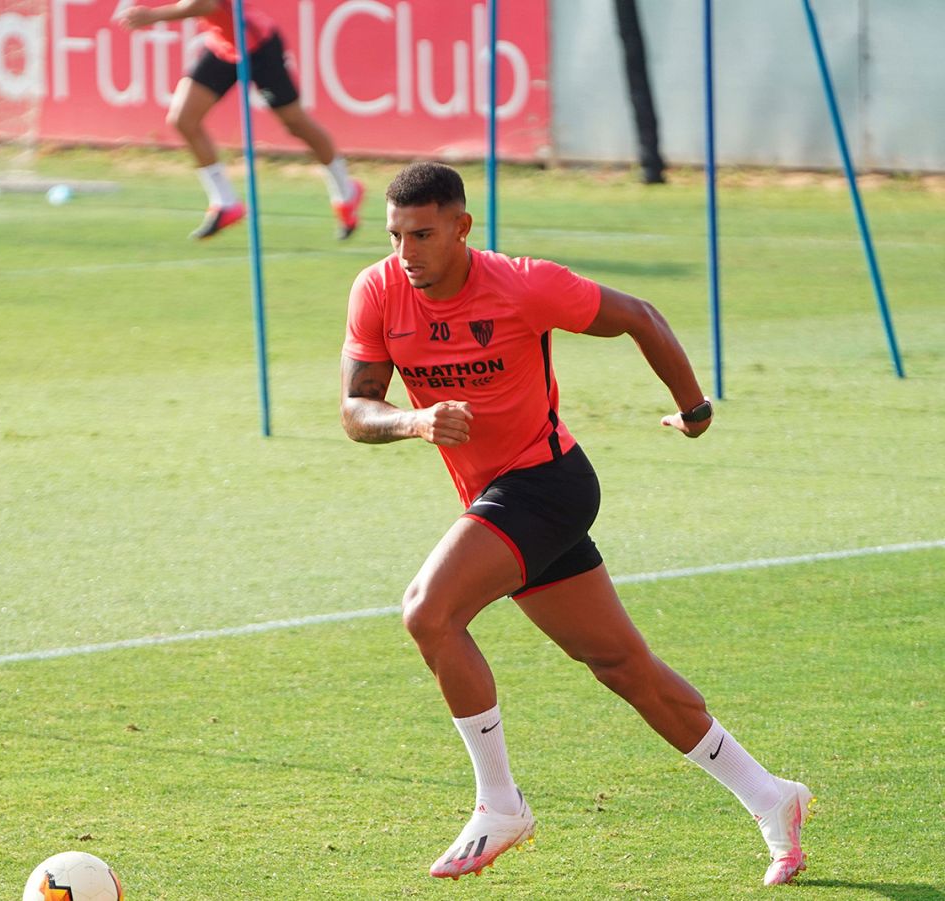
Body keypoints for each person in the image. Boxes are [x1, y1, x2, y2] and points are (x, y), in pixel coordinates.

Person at [338, 162, 811, 886]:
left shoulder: (525, 283)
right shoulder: (377, 290)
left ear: (463, 227)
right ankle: (771, 796)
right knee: (625, 668)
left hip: (548, 484)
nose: (408, 253)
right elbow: (356, 408)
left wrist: (694, 408)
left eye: (424, 234)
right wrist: (415, 419)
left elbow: (640, 317)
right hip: (501, 497)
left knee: (428, 612)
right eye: (396, 235)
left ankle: (500, 803)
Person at [113, 0, 363, 241]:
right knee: (183, 118)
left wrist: (153, 16)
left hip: (257, 44)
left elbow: (205, 4)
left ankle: (345, 190)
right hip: (225, 45)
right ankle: (225, 202)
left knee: (295, 123)